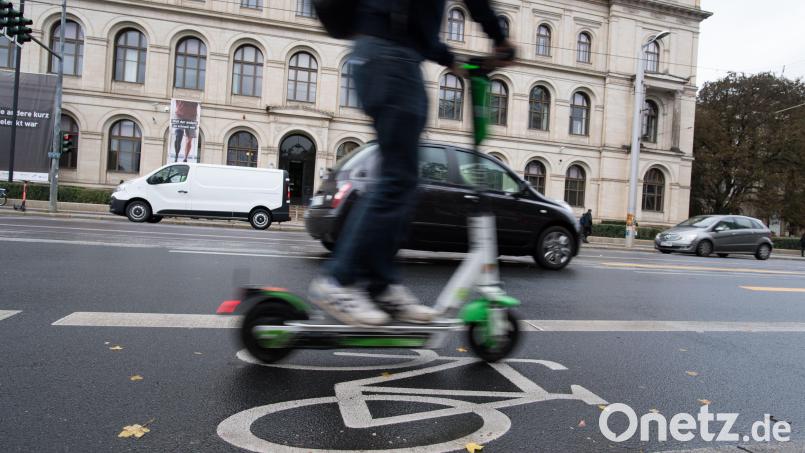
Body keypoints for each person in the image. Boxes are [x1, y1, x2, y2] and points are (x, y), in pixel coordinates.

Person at [309, 0, 513, 326]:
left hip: (392, 56)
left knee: (402, 182)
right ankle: (337, 281)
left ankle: (381, 285)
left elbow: (417, 25)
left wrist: (451, 60)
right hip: (391, 59)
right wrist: (499, 38)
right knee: (397, 180)